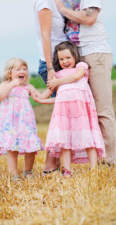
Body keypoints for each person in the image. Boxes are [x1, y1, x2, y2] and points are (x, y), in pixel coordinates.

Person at [47, 0, 116, 166]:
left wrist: (61, 7)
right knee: (87, 110)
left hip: (95, 52)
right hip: (79, 57)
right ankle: (91, 160)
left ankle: (108, 162)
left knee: (102, 109)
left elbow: (89, 18)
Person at [21, 0, 67, 174]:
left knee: (64, 109)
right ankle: (50, 165)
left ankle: (54, 164)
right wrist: (50, 69)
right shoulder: (44, 0)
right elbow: (46, 36)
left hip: (60, 59)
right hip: (52, 62)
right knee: (63, 111)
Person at [36, 41, 105, 178]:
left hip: (81, 112)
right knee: (64, 141)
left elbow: (75, 77)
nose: (65, 61)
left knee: (87, 138)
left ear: (75, 56)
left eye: (68, 57)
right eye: (61, 59)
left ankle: (94, 168)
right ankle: (67, 170)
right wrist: (36, 96)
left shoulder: (81, 66)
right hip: (63, 113)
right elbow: (48, 95)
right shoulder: (58, 75)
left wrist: (56, 82)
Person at [0, 57, 52, 181]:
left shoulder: (27, 87)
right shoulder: (5, 84)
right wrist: (12, 84)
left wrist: (52, 88)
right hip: (10, 124)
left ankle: (28, 171)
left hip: (26, 123)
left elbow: (40, 97)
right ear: (9, 73)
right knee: (12, 150)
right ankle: (14, 175)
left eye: (24, 69)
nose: (22, 71)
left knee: (30, 149)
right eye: (18, 69)